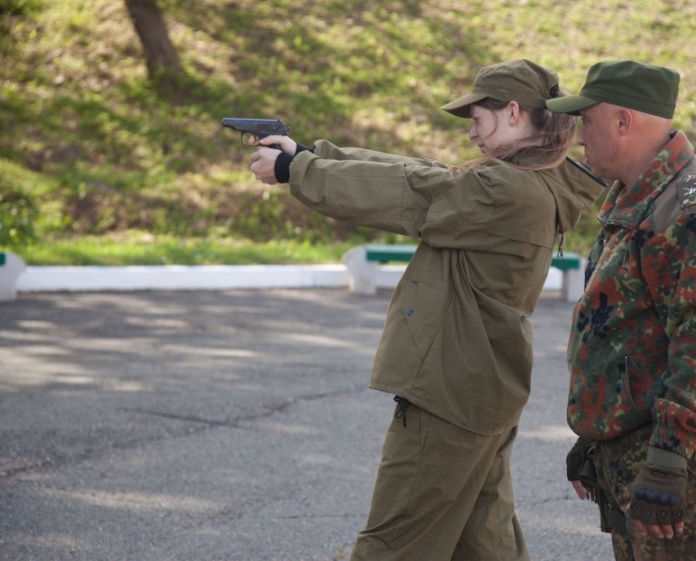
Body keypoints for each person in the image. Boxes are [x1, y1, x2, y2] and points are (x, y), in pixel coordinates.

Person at [246, 59, 606, 560]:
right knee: (485, 545)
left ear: (513, 112)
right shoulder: (526, 181)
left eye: (477, 119)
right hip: (480, 392)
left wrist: (297, 171)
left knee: (392, 545)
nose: (471, 134)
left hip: (451, 395)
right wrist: (310, 156)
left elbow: (415, 193)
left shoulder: (507, 189)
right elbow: (424, 175)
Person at [547, 60, 696, 560]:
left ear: (623, 122)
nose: (580, 137)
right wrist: (596, 436)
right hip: (642, 454)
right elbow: (624, 332)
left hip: (686, 469)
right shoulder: (639, 199)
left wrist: (668, 459)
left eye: (587, 122)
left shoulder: (693, 206)